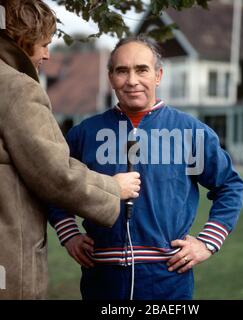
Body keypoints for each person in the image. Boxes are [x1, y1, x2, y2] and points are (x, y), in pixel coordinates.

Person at [48, 36, 243, 300]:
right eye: (122, 71)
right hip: (102, 280)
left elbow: (229, 186)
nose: (132, 81)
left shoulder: (190, 132)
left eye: (142, 69)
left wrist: (208, 242)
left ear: (158, 75)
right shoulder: (86, 134)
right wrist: (69, 233)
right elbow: (55, 183)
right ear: (110, 77)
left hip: (167, 280)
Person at [0, 0, 140, 300]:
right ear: (23, 38)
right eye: (44, 44)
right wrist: (112, 188)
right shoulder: (16, 88)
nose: (48, 55)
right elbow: (56, 174)